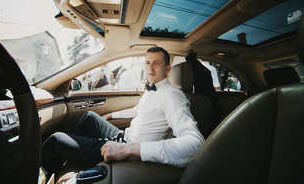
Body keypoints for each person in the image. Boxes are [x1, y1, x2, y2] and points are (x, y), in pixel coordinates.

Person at [41, 47, 205, 175]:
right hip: (124, 136)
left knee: (57, 140)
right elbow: (136, 111)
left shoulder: (172, 96)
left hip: (129, 149)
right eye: (147, 62)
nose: (150, 68)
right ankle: (71, 154)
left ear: (167, 69)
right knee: (90, 117)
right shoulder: (152, 89)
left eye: (157, 63)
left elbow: (196, 144)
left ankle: (39, 169)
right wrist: (111, 115)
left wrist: (127, 149)